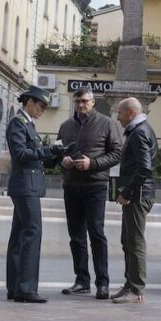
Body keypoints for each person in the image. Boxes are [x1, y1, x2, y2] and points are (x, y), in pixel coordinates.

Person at [56, 88, 122, 300]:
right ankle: (82, 280)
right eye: (77, 102)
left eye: (84, 101)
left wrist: (92, 163)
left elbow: (117, 153)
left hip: (95, 185)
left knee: (96, 233)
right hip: (71, 185)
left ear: (93, 102)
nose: (80, 105)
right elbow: (57, 152)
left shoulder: (107, 123)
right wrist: (63, 161)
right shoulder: (66, 126)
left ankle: (103, 283)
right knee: (76, 236)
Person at [6, 86, 65, 303]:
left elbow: (35, 156)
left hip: (27, 185)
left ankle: (15, 287)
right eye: (41, 106)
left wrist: (57, 155)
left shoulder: (28, 124)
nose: (42, 110)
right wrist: (49, 151)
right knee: (32, 232)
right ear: (29, 102)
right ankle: (27, 288)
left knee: (20, 235)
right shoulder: (18, 123)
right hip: (24, 186)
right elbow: (21, 154)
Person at [112, 98, 157, 304]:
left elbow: (144, 168)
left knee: (135, 242)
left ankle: (136, 288)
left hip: (138, 196)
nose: (117, 116)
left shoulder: (139, 133)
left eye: (119, 113)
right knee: (128, 241)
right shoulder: (139, 130)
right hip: (138, 195)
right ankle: (130, 285)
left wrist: (127, 193)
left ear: (130, 112)